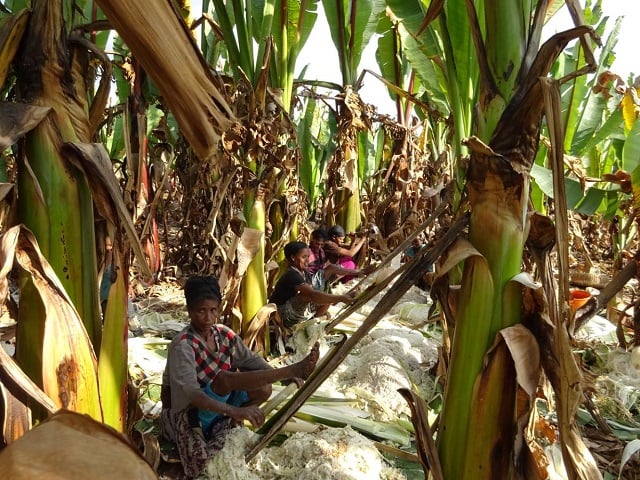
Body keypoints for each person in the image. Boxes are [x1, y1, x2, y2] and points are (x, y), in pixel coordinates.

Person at [160, 275, 320, 478]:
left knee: (264, 388)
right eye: (201, 311)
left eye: (213, 310)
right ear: (189, 310)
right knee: (225, 379)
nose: (208, 318)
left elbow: (252, 361)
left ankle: (227, 422)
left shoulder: (223, 334)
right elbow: (193, 395)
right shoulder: (183, 345)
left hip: (216, 410)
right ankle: (291, 369)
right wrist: (234, 410)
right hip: (186, 418)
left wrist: (282, 380)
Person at [269, 241, 356, 328]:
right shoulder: (292, 274)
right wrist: (341, 298)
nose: (308, 260)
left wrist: (359, 273)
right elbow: (313, 295)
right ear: (293, 257)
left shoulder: (304, 272)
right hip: (281, 314)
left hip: (293, 308)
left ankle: (313, 321)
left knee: (326, 297)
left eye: (308, 256)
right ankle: (308, 325)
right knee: (310, 296)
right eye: (304, 257)